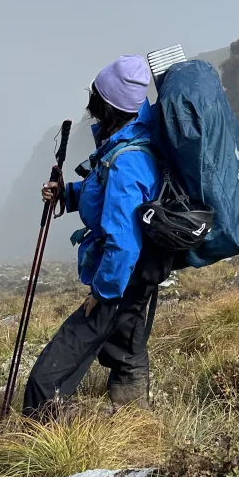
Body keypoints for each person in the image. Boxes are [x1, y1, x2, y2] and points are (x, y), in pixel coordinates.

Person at [22, 55, 166, 418]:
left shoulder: (126, 160)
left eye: (96, 94)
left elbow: (123, 240)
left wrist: (101, 295)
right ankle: (135, 426)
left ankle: (58, 425)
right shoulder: (132, 139)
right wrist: (67, 194)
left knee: (44, 383)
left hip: (122, 276)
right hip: (142, 272)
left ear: (106, 103)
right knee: (126, 354)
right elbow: (108, 196)